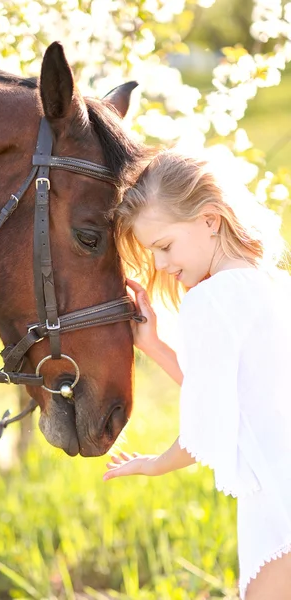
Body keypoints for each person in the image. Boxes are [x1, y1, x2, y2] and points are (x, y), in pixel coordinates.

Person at [103, 149, 291, 600]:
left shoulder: (209, 301)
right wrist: (154, 345)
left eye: (164, 247)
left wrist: (151, 465)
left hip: (279, 498)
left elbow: (205, 431)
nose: (162, 266)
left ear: (210, 219)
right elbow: (237, 396)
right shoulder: (274, 284)